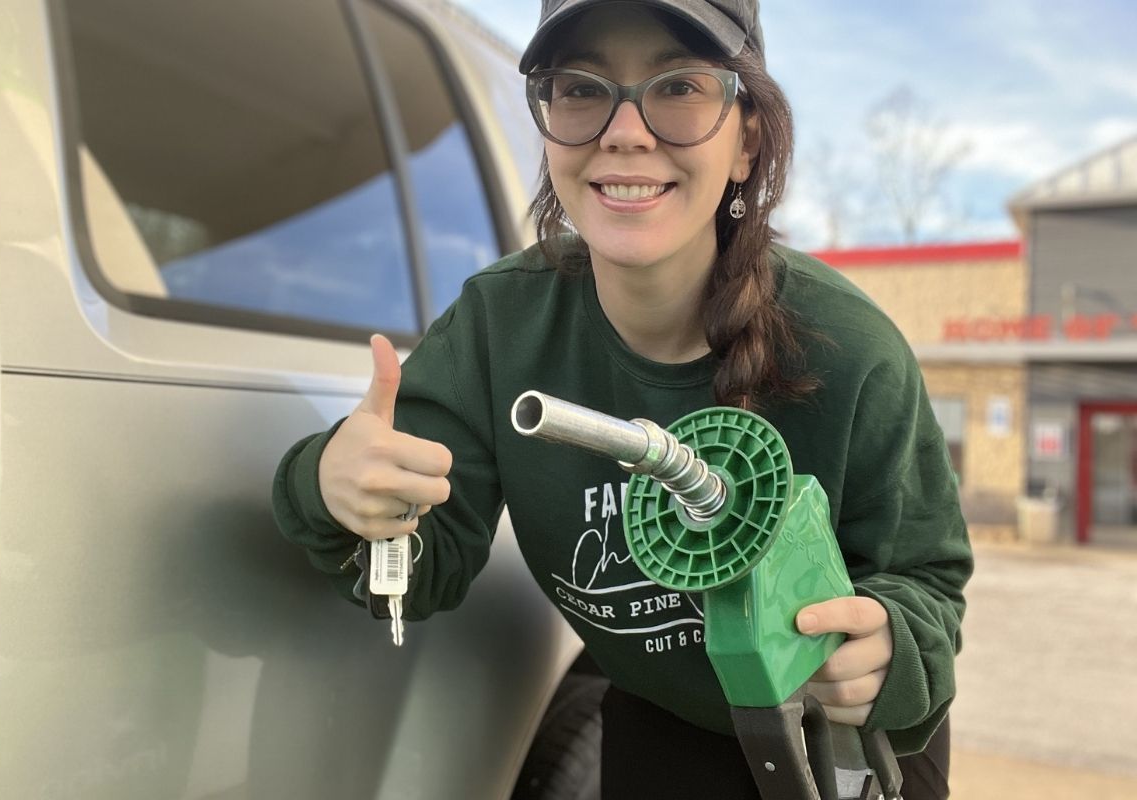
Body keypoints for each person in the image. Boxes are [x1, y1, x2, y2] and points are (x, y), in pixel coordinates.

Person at [272, 1, 971, 797]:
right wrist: (332, 485)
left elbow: (926, 581)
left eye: (679, 87)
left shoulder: (852, 349)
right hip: (658, 729)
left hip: (846, 753)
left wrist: (889, 651)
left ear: (746, 140)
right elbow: (419, 569)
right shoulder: (500, 327)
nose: (626, 131)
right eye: (581, 89)